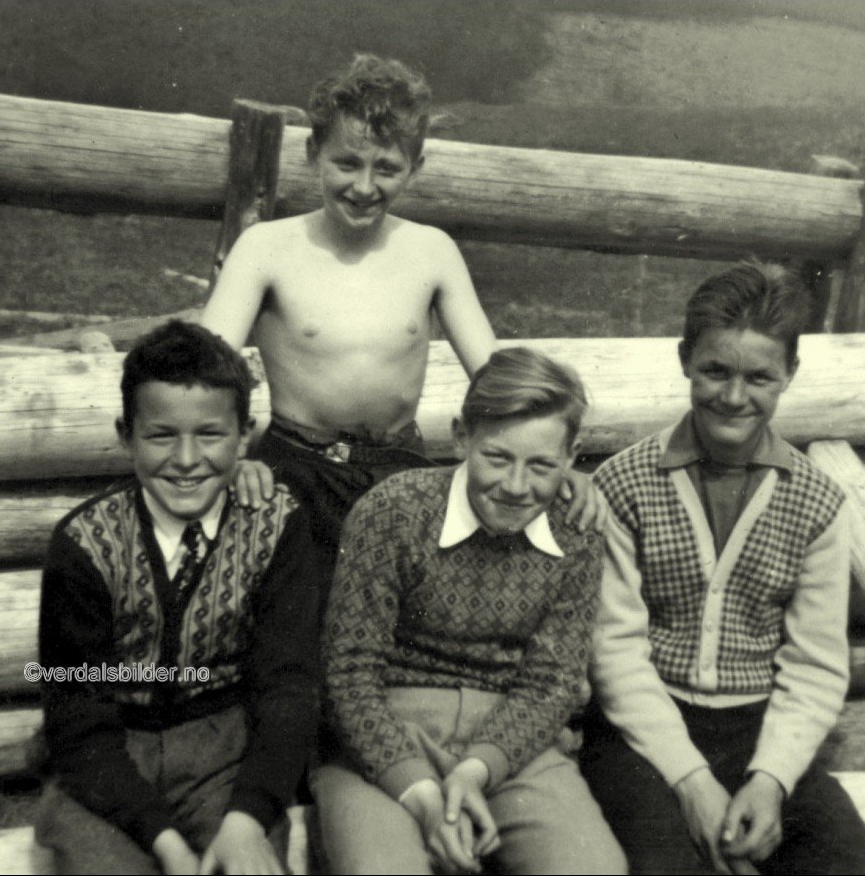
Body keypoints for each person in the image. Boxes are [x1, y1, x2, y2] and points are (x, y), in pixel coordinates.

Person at [200, 53, 603, 569]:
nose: (364, 187)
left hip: (400, 469)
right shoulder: (266, 248)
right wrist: (229, 459)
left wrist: (555, 458)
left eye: (387, 168)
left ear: (415, 169)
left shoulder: (431, 251)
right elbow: (205, 371)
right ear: (313, 153)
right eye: (347, 163)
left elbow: (497, 376)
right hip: (294, 470)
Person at [580, 264, 865, 875]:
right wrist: (693, 783)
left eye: (759, 378)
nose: (732, 397)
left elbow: (815, 664)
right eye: (715, 371)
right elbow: (614, 651)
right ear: (685, 360)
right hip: (641, 731)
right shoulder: (623, 483)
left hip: (761, 730)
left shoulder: (817, 502)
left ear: (789, 374)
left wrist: (772, 779)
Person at [315, 348, 628, 875]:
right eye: (497, 458)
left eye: (541, 465)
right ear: (462, 437)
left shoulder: (576, 533)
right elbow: (347, 675)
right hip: (383, 733)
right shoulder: (394, 510)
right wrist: (420, 792)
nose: (516, 486)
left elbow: (551, 684)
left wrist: (475, 772)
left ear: (572, 456)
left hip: (514, 739)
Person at [35, 320, 319, 875]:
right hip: (110, 761)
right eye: (161, 436)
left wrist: (247, 820)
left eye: (210, 435)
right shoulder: (84, 543)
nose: (187, 459)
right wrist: (168, 848)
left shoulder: (275, 526)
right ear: (126, 436)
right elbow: (77, 714)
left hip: (227, 758)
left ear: (244, 436)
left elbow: (287, 687)